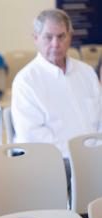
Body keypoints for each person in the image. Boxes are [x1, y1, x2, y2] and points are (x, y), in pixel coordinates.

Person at [11, 9, 102, 189]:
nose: (55, 44)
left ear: (70, 37)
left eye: (61, 37)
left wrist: (94, 152)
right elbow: (32, 137)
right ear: (36, 38)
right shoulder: (26, 81)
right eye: (48, 37)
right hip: (54, 162)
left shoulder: (86, 72)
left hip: (92, 156)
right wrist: (79, 156)